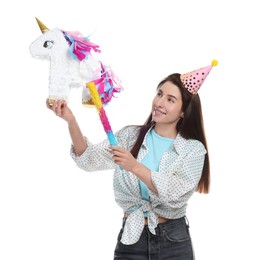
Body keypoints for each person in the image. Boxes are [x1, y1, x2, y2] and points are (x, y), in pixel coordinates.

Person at [46, 60, 218, 260]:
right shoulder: (130, 136)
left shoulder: (193, 149)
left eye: (171, 99)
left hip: (174, 242)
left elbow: (175, 192)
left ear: (183, 111)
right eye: (159, 93)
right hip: (131, 240)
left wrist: (135, 166)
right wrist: (71, 121)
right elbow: (89, 159)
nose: (160, 103)